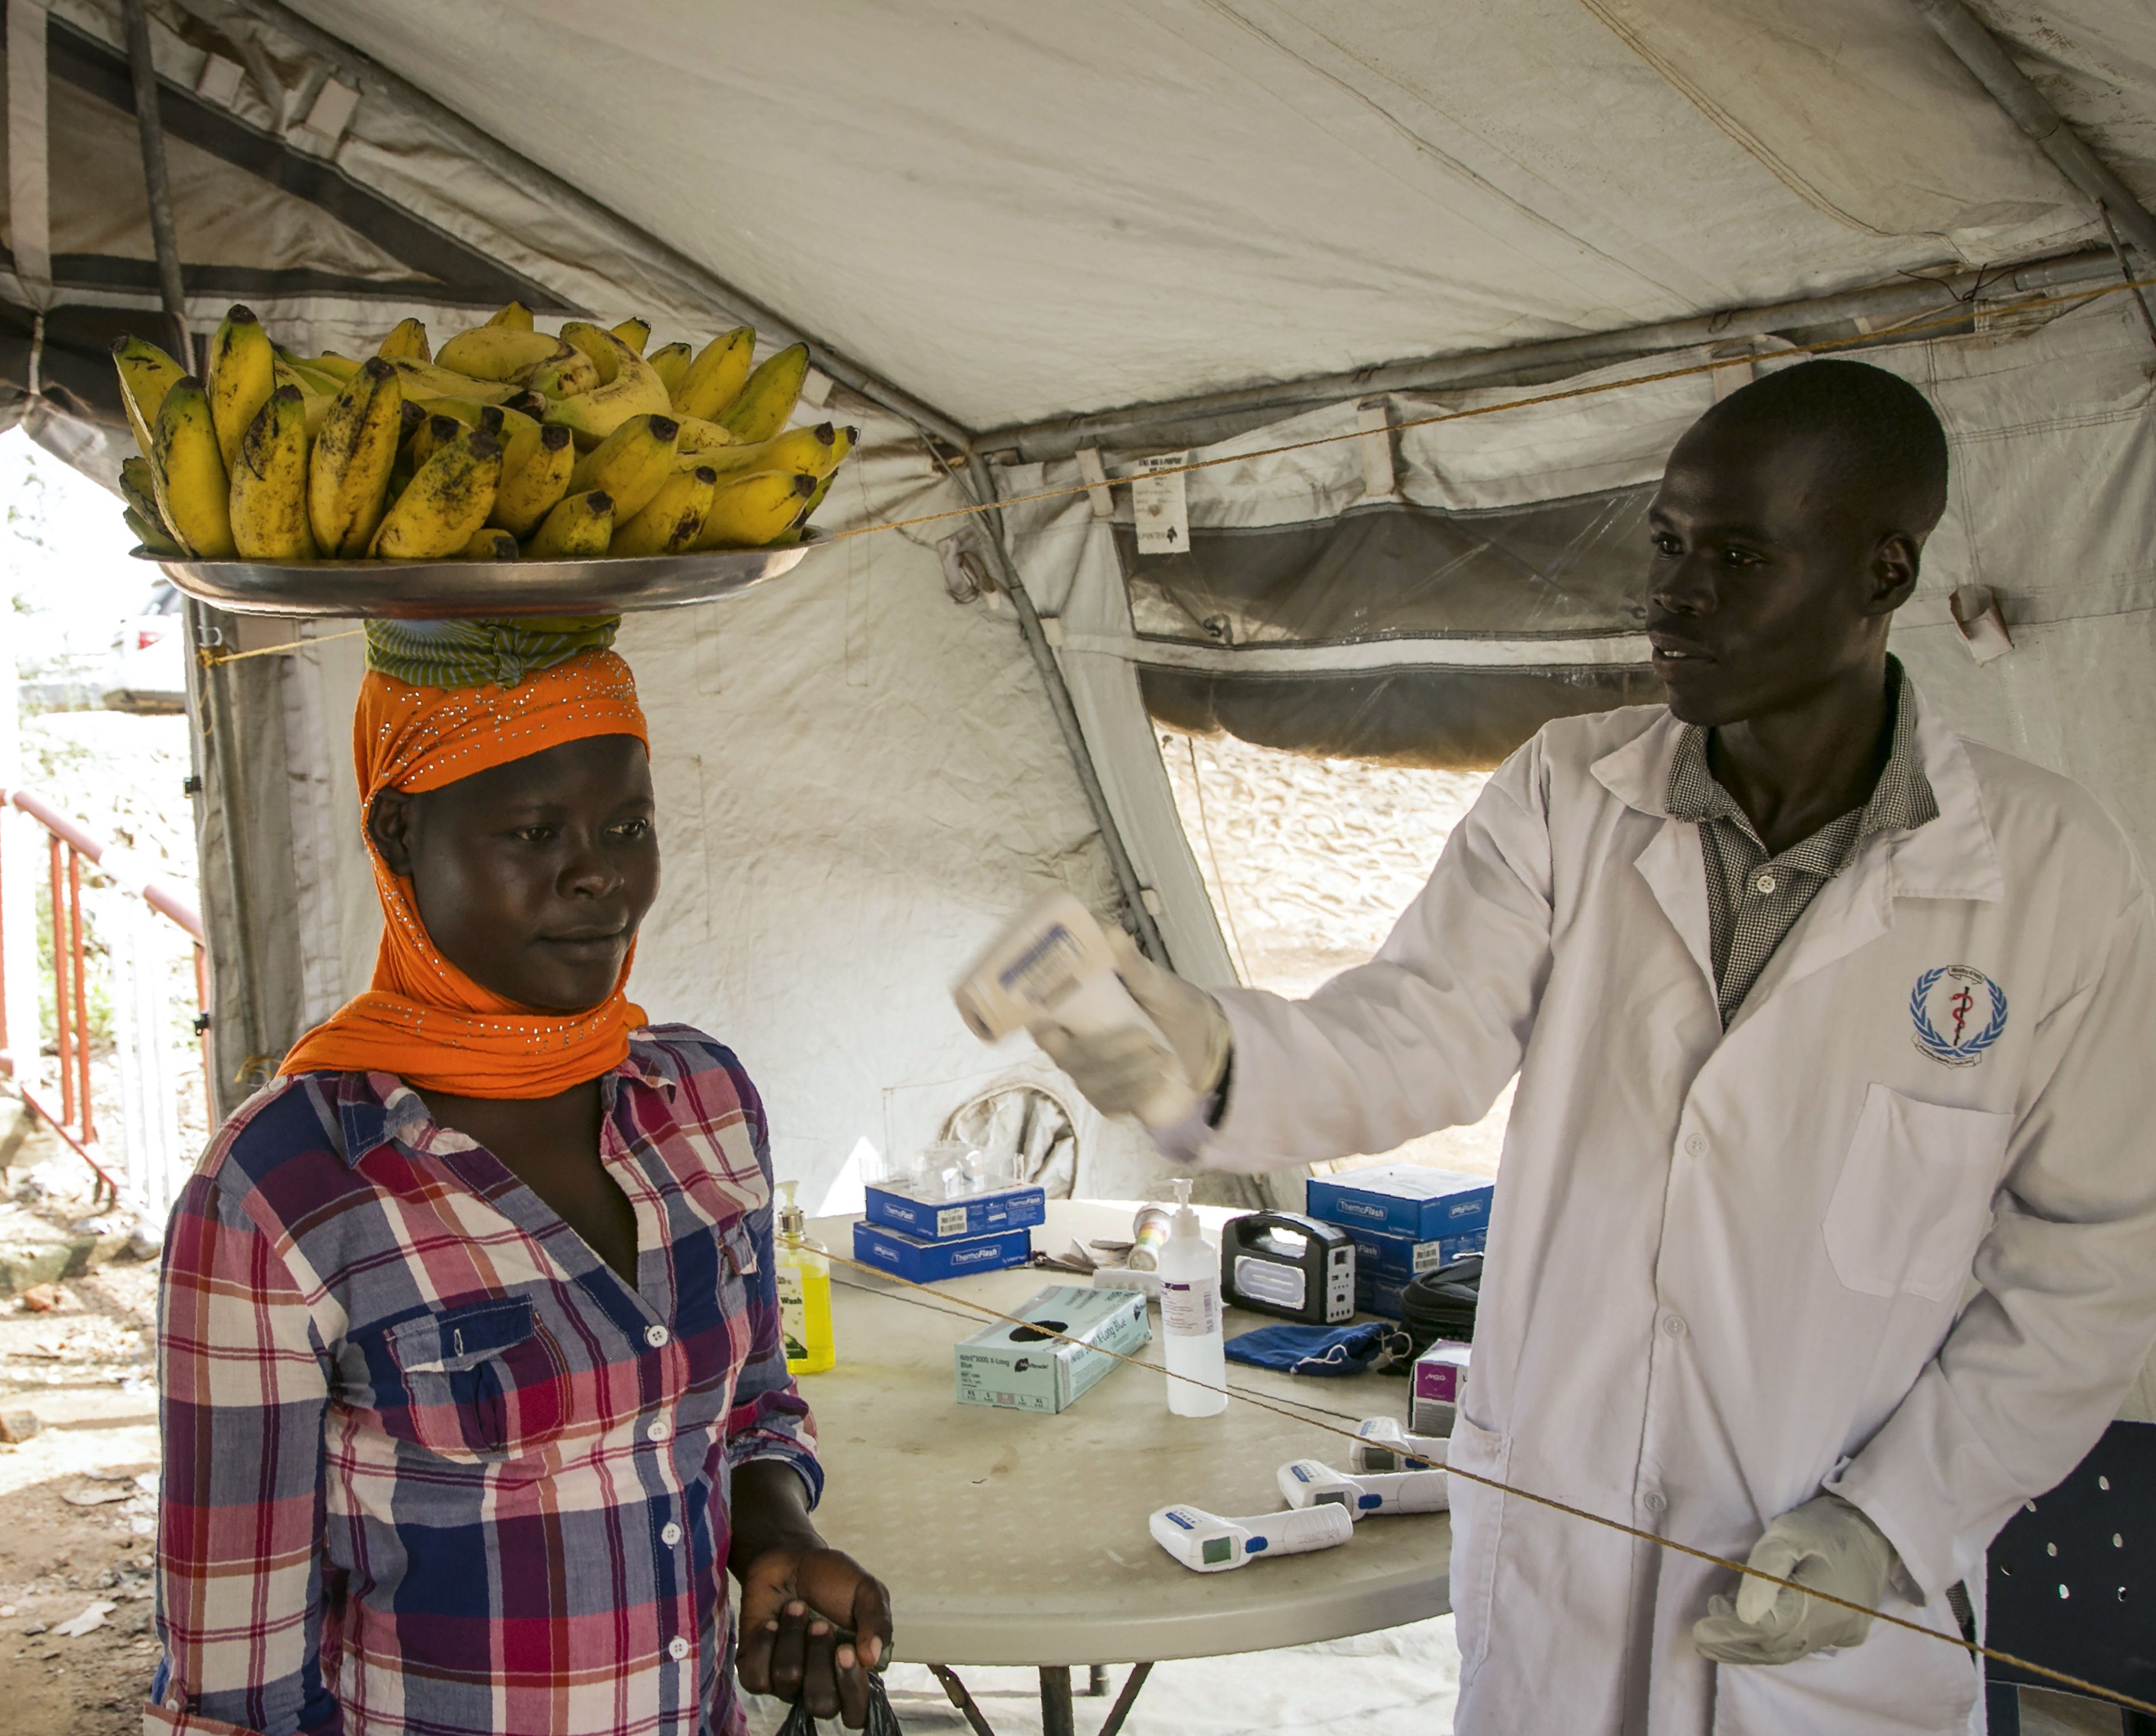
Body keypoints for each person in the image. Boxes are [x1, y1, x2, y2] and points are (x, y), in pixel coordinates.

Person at [1033, 360, 2156, 1733]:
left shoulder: (2049, 872)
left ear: (1885, 573)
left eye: (1739, 555)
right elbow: (1413, 1039)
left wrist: (1895, 1519)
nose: (1676, 595)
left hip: (1834, 1610)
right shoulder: (1570, 792)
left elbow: (2089, 1263)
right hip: (1561, 1562)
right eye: (1669, 544)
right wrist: (1211, 1059)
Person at [149, 634, 891, 1736]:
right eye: (535, 832)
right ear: (399, 833)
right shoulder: (284, 1188)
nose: (596, 874)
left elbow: (750, 1399)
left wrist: (776, 1529)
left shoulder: (701, 1102)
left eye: (626, 828)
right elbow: (234, 1671)